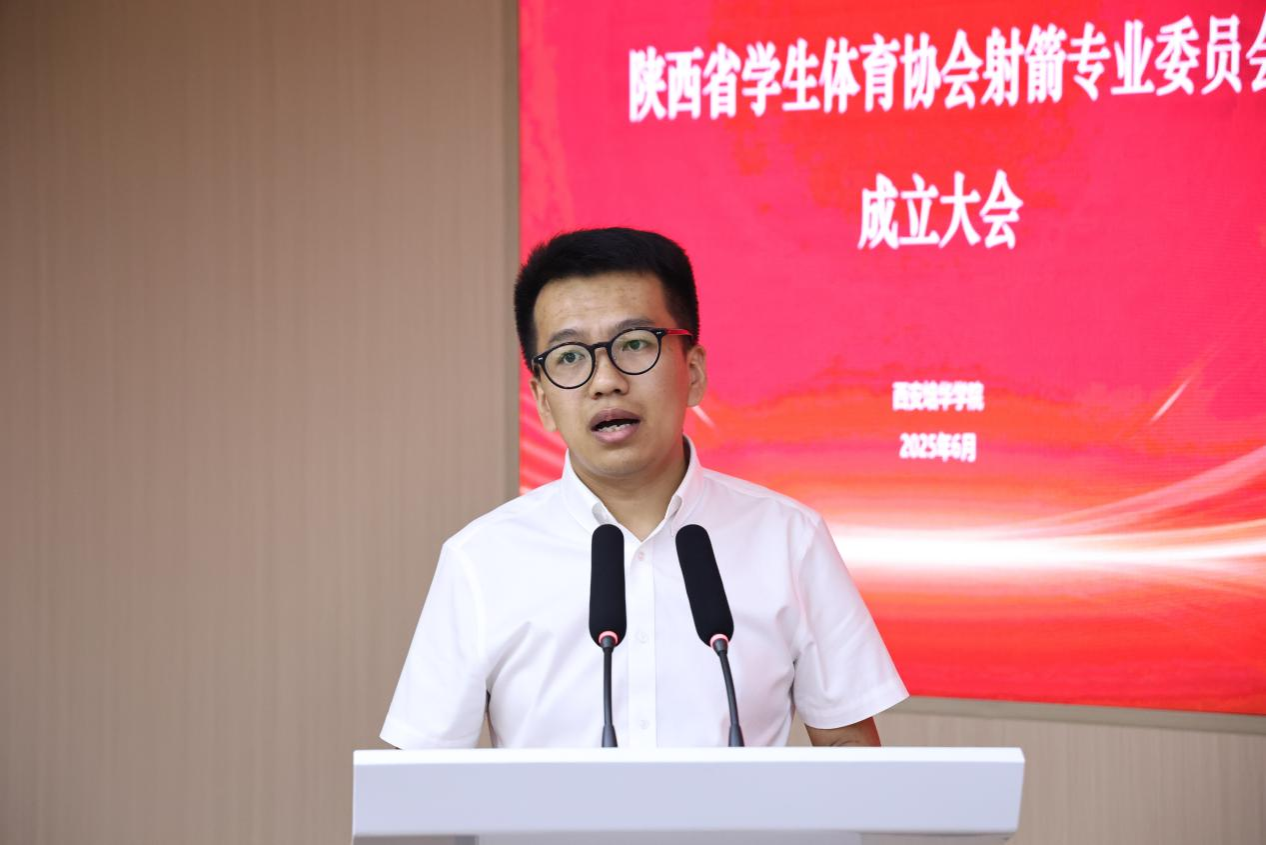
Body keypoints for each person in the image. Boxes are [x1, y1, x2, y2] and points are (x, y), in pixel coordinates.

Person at [381, 227, 906, 749]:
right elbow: (419, 773)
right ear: (542, 401)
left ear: (692, 372)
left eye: (634, 344)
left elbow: (847, 747)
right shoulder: (480, 560)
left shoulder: (790, 539)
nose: (605, 380)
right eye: (569, 357)